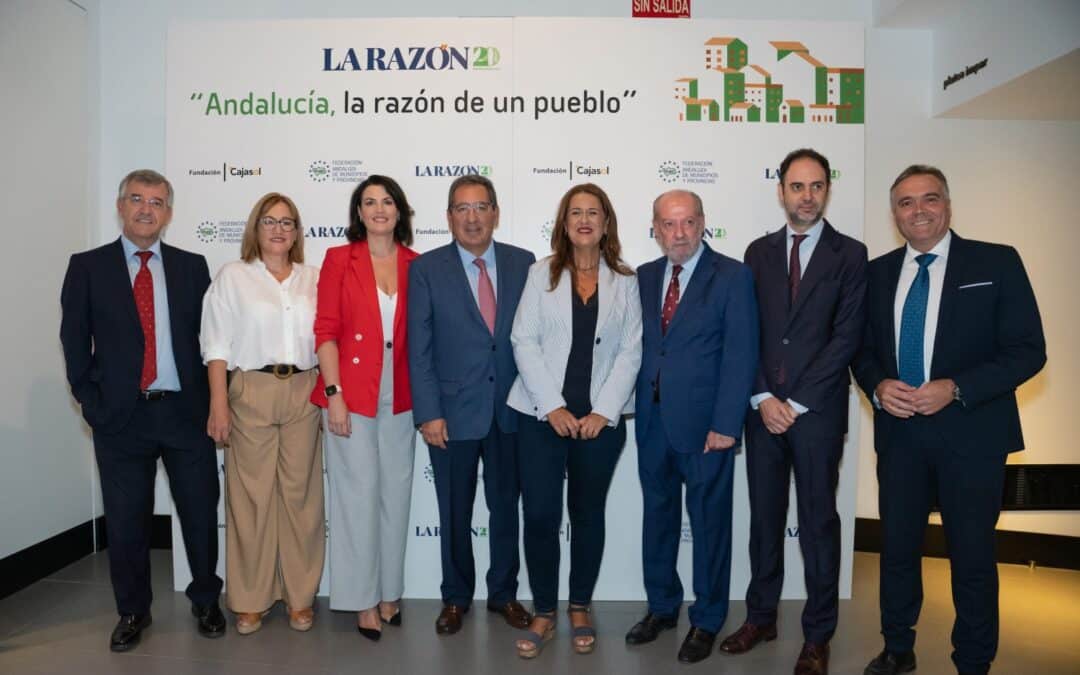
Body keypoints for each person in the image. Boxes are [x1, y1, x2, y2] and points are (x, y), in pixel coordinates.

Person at [852, 165, 1045, 675]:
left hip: (973, 435)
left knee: (973, 556)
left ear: (948, 205)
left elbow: (1028, 351)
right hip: (900, 435)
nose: (918, 211)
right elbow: (863, 350)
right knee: (896, 549)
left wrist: (956, 389)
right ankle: (897, 647)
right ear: (894, 213)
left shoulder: (997, 262)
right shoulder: (877, 272)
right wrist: (876, 384)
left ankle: (974, 661)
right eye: (906, 202)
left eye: (929, 199)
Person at [60, 169, 224, 651]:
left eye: (157, 201)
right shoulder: (87, 267)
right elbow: (73, 343)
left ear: (169, 213)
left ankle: (206, 599)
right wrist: (92, 403)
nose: (146, 209)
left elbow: (213, 340)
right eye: (137, 199)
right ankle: (133, 610)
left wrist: (215, 401)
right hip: (121, 418)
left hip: (184, 414)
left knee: (198, 512)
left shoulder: (193, 266)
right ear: (120, 206)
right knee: (127, 520)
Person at [722, 149, 867, 675]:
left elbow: (846, 337)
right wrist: (762, 398)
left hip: (817, 414)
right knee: (764, 521)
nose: (807, 196)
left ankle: (817, 636)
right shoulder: (756, 253)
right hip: (762, 414)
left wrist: (797, 402)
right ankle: (761, 617)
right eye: (797, 186)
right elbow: (747, 334)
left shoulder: (850, 255)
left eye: (816, 186)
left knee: (817, 523)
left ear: (828, 191)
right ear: (780, 190)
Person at [507, 183, 642, 658]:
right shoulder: (539, 274)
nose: (584, 220)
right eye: (575, 213)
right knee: (541, 515)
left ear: (606, 223)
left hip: (599, 425)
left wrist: (603, 411)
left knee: (588, 515)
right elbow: (522, 341)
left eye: (594, 212)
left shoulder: (626, 281)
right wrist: (554, 406)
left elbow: (631, 350)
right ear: (563, 224)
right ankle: (544, 609)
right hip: (541, 419)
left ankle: (579, 605)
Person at [625, 189, 759, 664]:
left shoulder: (733, 276)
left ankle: (706, 619)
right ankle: (662, 607)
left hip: (707, 428)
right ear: (655, 228)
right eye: (667, 224)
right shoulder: (642, 277)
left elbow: (742, 354)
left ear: (703, 223)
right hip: (652, 423)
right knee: (657, 519)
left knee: (709, 525)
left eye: (686, 223)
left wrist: (727, 424)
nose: (678, 233)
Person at [408, 174, 535, 636]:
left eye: (481, 207)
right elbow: (417, 349)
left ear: (496, 213)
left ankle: (504, 594)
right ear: (448, 218)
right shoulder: (426, 269)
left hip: (512, 410)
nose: (472, 217)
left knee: (506, 508)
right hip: (451, 414)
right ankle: (455, 598)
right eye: (462, 208)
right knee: (454, 512)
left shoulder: (525, 263)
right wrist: (428, 413)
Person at [200, 192, 323, 635]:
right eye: (269, 221)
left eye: (287, 222)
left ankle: (300, 597)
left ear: (296, 232)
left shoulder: (313, 277)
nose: (278, 230)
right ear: (256, 228)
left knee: (302, 499)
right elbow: (216, 345)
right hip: (250, 388)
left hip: (305, 391)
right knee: (251, 499)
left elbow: (328, 337)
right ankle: (251, 599)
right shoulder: (233, 277)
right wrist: (219, 403)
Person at [310, 175, 420, 641]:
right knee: (355, 499)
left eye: (387, 201)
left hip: (403, 392)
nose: (379, 209)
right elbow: (326, 330)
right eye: (369, 202)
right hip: (350, 392)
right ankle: (361, 599)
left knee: (395, 496)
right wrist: (334, 394)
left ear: (400, 211)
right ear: (358, 212)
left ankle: (390, 591)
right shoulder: (339, 259)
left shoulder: (419, 263)